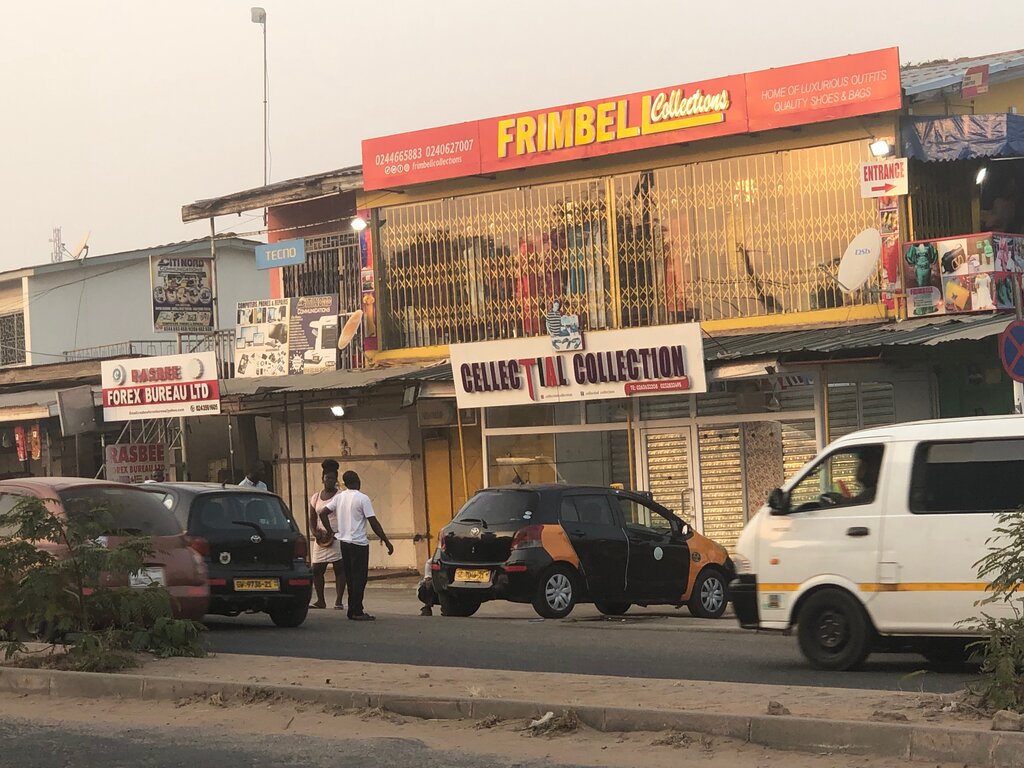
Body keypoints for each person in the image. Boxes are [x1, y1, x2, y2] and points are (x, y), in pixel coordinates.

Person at [319, 470, 393, 621]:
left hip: (344, 543)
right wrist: (386, 540)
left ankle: (352, 609)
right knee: (360, 578)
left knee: (350, 578)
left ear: (345, 483)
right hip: (358, 543)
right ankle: (357, 611)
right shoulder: (363, 498)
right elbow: (373, 522)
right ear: (358, 481)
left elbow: (322, 512)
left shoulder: (339, 497)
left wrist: (330, 531)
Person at [309, 459, 346, 610]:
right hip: (321, 539)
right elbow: (312, 517)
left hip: (336, 536)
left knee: (339, 568)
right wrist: (314, 531)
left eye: (332, 478)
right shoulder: (315, 497)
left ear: (336, 479)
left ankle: (338, 601)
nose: (329, 481)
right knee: (317, 569)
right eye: (326, 478)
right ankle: (320, 600)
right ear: (322, 479)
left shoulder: (341, 496)